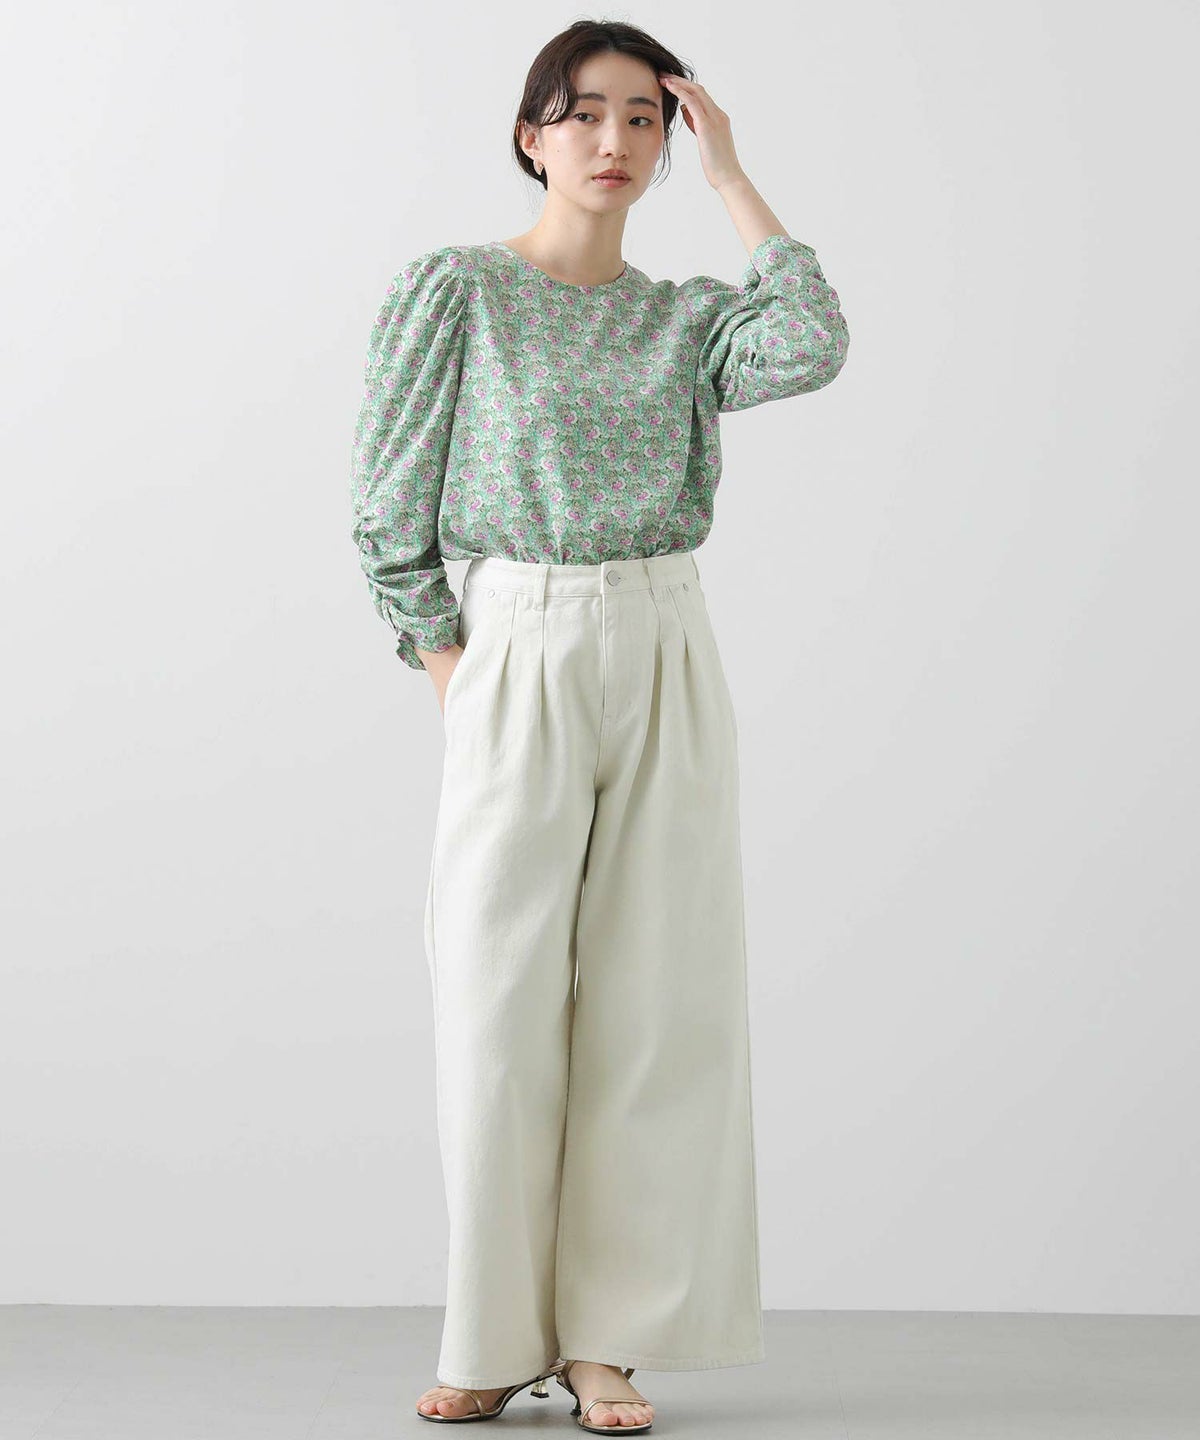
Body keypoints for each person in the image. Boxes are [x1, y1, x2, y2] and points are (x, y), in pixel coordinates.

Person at [349, 18, 849, 1433]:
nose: (614, 142)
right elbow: (386, 500)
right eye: (582, 114)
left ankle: (605, 1341)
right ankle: (492, 1333)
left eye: (645, 118)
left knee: (656, 1000)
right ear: (531, 137)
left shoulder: (690, 319)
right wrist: (451, 664)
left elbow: (813, 342)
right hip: (515, 634)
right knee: (497, 998)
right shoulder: (458, 290)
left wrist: (734, 172)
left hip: (666, 636)